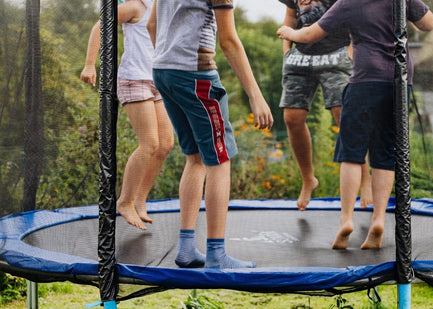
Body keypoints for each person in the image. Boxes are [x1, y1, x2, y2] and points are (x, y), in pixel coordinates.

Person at [278, 0, 433, 249]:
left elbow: (311, 33)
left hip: (365, 80)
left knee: (351, 153)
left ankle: (346, 220)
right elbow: (428, 23)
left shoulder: (349, 1)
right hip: (400, 81)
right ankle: (379, 220)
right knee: (385, 153)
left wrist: (289, 33)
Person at [147, 0, 274, 269]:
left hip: (162, 70)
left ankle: (185, 249)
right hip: (195, 74)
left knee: (195, 157)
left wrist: (169, 54)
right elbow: (229, 41)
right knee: (220, 159)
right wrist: (256, 96)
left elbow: (151, 25)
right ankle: (216, 254)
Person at [80, 0, 174, 231]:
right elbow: (99, 27)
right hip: (134, 79)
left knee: (165, 145)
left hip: (157, 80)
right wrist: (90, 65)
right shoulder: (134, 6)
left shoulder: (162, 6)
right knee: (149, 144)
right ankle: (125, 201)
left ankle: (140, 199)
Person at [278, 0, 372, 211]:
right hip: (300, 57)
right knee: (292, 119)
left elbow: (356, 16)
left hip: (336, 54)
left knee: (344, 116)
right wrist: (286, 51)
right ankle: (308, 179)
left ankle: (366, 178)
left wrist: (350, 52)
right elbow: (291, 16)